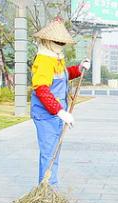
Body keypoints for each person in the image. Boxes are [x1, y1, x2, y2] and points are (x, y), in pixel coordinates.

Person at [31, 18, 90, 186]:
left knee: (54, 153)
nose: (60, 44)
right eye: (58, 41)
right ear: (49, 41)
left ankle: (51, 188)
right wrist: (59, 111)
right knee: (49, 154)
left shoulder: (56, 58)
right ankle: (47, 193)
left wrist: (79, 69)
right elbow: (42, 89)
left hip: (57, 114)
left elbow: (63, 77)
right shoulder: (43, 59)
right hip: (46, 115)